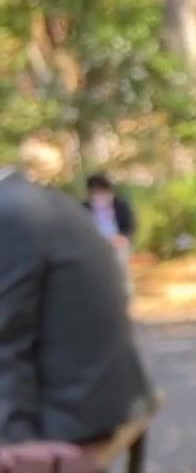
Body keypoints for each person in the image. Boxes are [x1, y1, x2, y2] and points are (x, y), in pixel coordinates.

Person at [0, 141, 155, 453]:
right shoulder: (34, 199)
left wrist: (14, 440)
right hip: (106, 396)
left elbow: (6, 333)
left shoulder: (9, 214)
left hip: (69, 415)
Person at [83, 171, 137, 295]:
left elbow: (129, 226)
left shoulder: (121, 206)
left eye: (101, 191)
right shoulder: (84, 208)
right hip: (95, 244)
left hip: (118, 242)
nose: (99, 195)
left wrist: (122, 237)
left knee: (120, 262)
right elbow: (81, 230)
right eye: (95, 192)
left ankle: (124, 294)